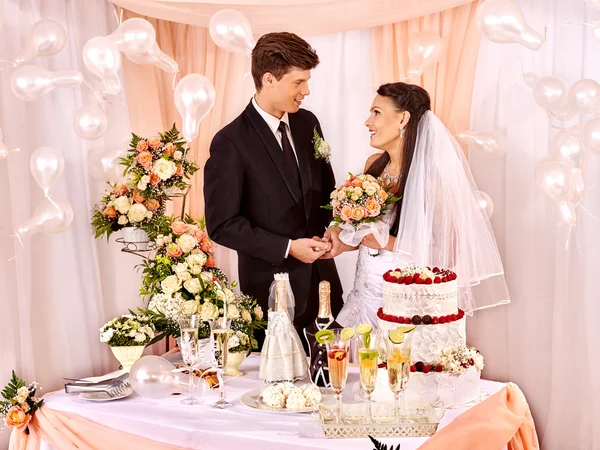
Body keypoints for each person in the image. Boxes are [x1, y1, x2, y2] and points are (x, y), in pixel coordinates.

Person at [324, 82, 510, 329]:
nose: (368, 122)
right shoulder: (373, 166)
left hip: (403, 304)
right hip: (363, 299)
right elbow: (365, 236)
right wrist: (339, 241)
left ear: (403, 119)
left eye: (377, 112)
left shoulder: (432, 179)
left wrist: (390, 243)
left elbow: (449, 254)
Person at [204, 32, 343, 347]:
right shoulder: (230, 142)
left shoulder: (309, 123)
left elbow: (329, 191)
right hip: (271, 292)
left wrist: (336, 224)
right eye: (298, 83)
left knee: (333, 383)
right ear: (268, 79)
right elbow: (222, 225)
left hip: (324, 285)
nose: (306, 91)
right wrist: (288, 247)